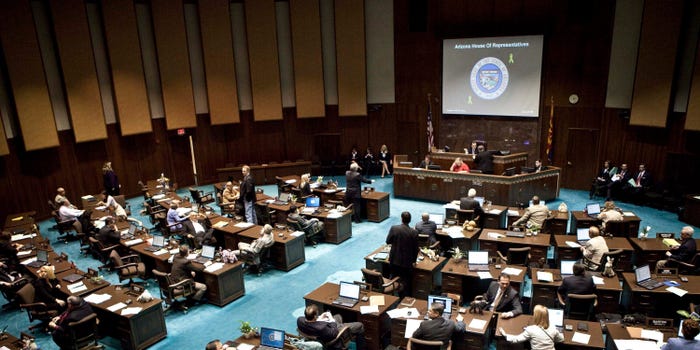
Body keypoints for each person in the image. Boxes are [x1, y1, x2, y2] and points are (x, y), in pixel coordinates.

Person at [297, 304, 366, 350]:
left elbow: (312, 322)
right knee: (360, 325)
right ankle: (361, 348)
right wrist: (331, 319)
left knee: (338, 316)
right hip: (333, 332)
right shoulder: (322, 328)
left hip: (320, 331)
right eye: (317, 313)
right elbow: (334, 332)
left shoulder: (300, 320)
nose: (318, 314)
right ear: (314, 316)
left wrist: (320, 318)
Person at [500, 305, 564, 350]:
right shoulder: (553, 327)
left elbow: (516, 339)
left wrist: (505, 335)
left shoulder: (531, 329)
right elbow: (561, 339)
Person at [386, 211, 419, 298]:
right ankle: (404, 298)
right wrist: (414, 261)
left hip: (394, 260)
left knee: (394, 277)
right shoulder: (414, 232)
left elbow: (388, 241)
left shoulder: (394, 228)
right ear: (410, 220)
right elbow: (416, 249)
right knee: (406, 281)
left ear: (401, 219)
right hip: (407, 263)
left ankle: (393, 297)